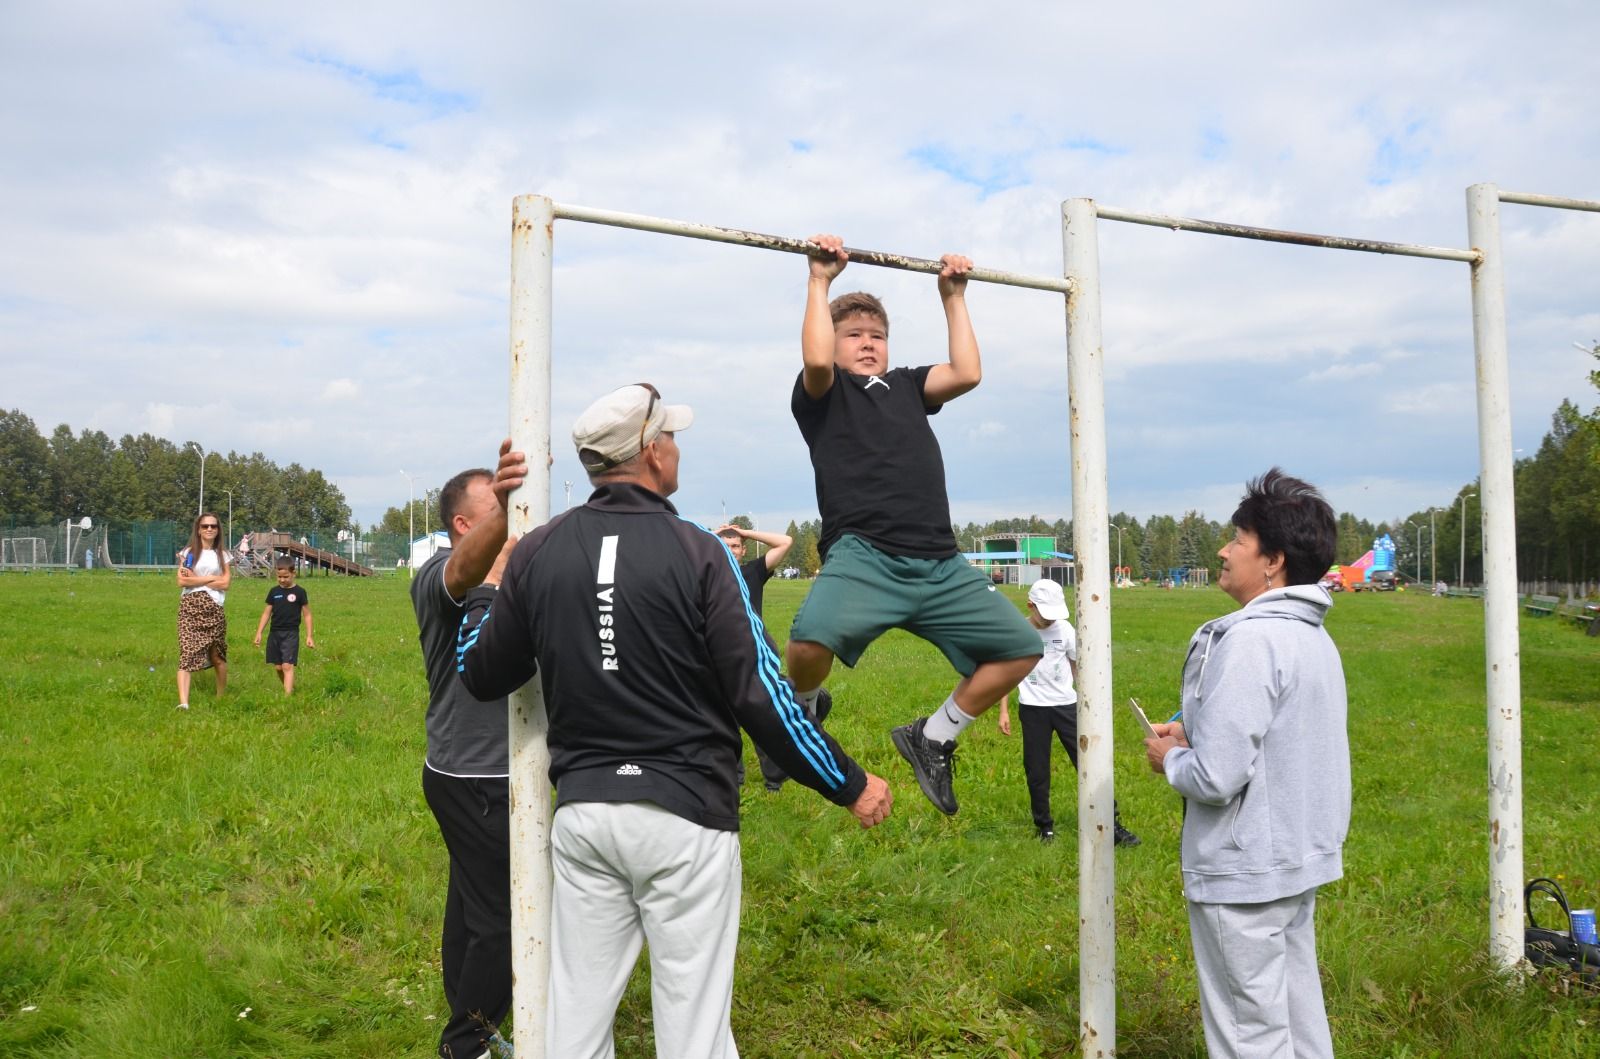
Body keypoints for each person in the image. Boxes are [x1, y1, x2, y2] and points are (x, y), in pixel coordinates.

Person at [456, 383, 892, 1058]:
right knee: (694, 1032)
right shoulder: (701, 551)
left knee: (572, 1027)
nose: (677, 448)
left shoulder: (540, 550)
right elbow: (760, 693)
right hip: (686, 820)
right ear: (651, 452)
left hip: (586, 818)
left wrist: (487, 590)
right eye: (673, 437)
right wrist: (849, 780)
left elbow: (479, 672)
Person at [786, 234, 1041, 815]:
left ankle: (933, 737)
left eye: (877, 335)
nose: (868, 344)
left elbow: (968, 372)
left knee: (1022, 649)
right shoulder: (822, 394)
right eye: (854, 334)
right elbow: (817, 359)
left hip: (940, 562)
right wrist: (819, 280)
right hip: (865, 556)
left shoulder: (907, 385)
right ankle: (801, 711)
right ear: (835, 340)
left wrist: (953, 295)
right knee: (806, 642)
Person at [1143, 469, 1350, 1059]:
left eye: (1238, 538)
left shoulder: (1250, 641)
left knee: (1247, 1034)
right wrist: (1197, 729)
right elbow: (1281, 736)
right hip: (1296, 856)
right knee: (1297, 1018)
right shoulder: (1312, 637)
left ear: (1273, 562)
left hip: (1244, 870)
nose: (1223, 550)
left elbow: (1216, 777)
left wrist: (1173, 756)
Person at [411, 441, 527, 1059]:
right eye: (499, 506)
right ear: (464, 523)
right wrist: (504, 522)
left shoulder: (513, 573)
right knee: (503, 921)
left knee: (467, 910)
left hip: (497, 772)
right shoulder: (438, 576)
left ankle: (470, 1018)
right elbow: (464, 573)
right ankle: (467, 1044)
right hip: (472, 774)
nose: (516, 513)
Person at [997, 578, 1140, 846]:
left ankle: (1111, 823)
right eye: (1044, 614)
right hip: (1033, 710)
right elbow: (1007, 673)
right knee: (1036, 771)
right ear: (1030, 606)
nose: (1050, 621)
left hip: (1066, 707)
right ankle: (1044, 827)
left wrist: (1088, 704)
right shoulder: (1017, 631)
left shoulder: (1064, 629)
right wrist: (1003, 710)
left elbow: (1077, 668)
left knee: (1089, 763)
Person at [715, 523, 830, 792]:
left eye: (735, 546)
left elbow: (785, 542)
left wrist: (746, 533)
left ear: (743, 550)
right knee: (724, 721)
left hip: (753, 654)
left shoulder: (752, 572)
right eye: (725, 546)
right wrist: (711, 537)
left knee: (762, 716)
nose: (731, 551)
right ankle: (734, 780)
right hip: (718, 656)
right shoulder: (707, 574)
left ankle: (774, 779)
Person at [176, 511, 231, 710]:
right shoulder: (189, 553)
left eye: (213, 526)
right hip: (190, 607)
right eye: (205, 526)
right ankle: (184, 703)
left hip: (214, 608)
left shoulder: (222, 555)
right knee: (186, 653)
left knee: (217, 656)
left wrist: (196, 579)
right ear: (198, 530)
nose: (209, 529)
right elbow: (182, 580)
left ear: (218, 530)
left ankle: (221, 697)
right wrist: (210, 579)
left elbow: (226, 583)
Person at [253, 555, 315, 695]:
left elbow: (307, 614)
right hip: (274, 633)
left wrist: (309, 636)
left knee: (287, 666)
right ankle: (289, 687)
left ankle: (287, 698)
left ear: (294, 573)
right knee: (279, 668)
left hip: (291, 634)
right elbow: (266, 613)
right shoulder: (274, 592)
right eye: (279, 577)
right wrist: (259, 632)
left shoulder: (300, 592)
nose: (282, 580)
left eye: (286, 577)